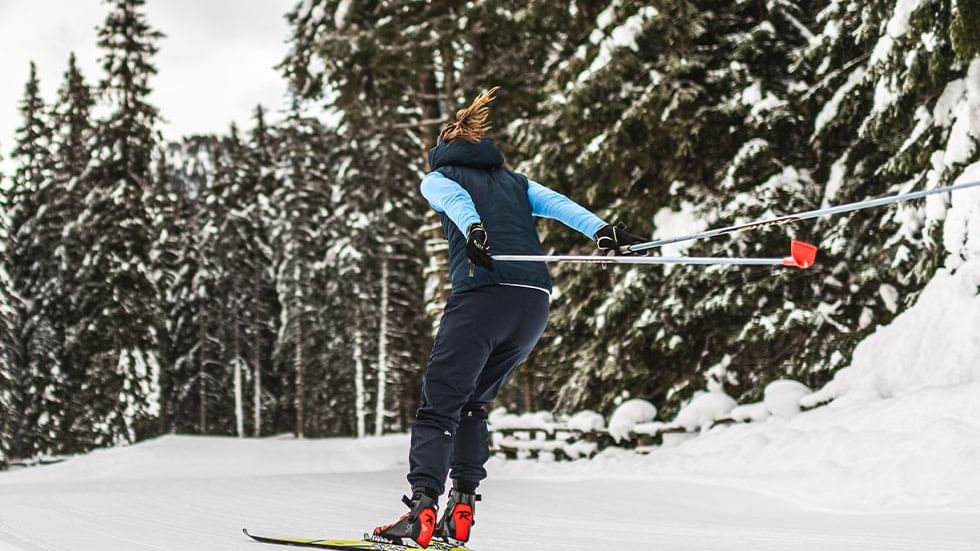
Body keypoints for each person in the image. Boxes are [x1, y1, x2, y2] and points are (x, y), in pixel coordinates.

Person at [372, 87, 648, 548]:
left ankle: (421, 512)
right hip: (533, 303)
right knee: (473, 404)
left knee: (439, 405)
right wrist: (603, 231)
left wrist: (475, 230)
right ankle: (460, 510)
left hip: (483, 296)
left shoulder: (437, 177)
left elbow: (458, 205)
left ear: (443, 147)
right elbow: (560, 204)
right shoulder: (515, 182)